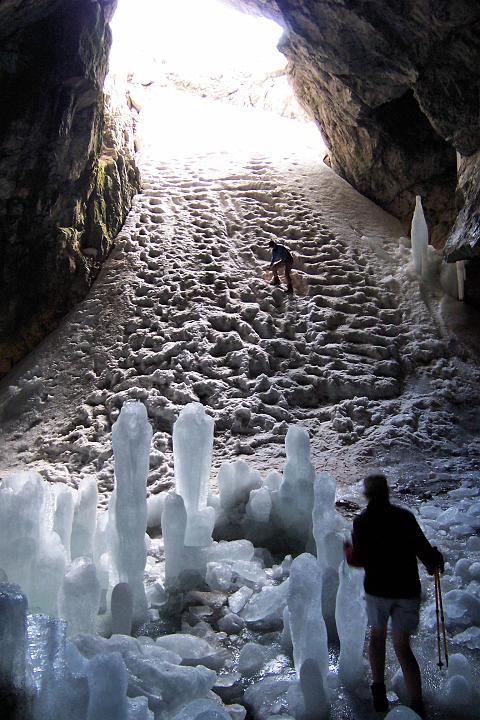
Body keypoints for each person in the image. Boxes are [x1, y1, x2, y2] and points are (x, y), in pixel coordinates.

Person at [344, 473, 444, 718]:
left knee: (377, 638)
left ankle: (379, 692)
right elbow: (424, 552)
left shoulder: (362, 522)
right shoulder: (405, 518)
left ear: (367, 495)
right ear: (387, 492)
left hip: (377, 590)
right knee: (402, 646)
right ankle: (417, 702)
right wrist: (434, 561)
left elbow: (359, 560)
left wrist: (347, 550)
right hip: (406, 590)